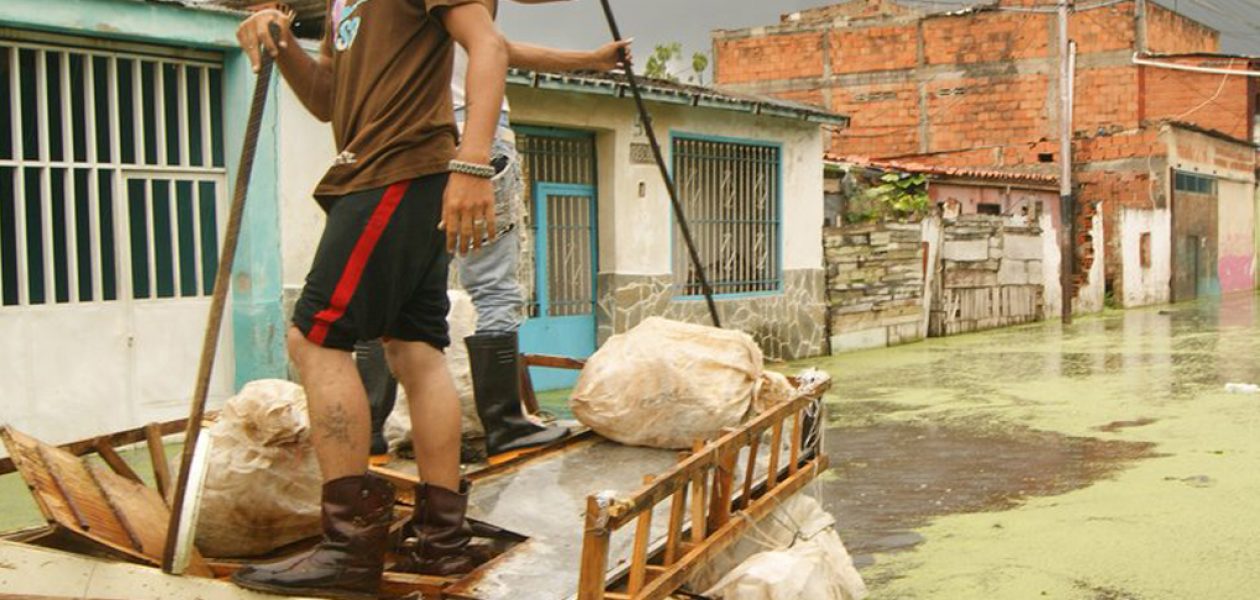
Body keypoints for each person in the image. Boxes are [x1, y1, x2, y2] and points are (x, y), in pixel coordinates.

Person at [229, 0, 509, 597]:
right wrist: (284, 44)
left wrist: (474, 162)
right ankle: (441, 540)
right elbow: (328, 96)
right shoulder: (339, 4)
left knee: (316, 337)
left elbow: (488, 45)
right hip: (391, 170)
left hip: (396, 166)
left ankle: (349, 548)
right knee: (414, 348)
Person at [357, 20, 631, 465]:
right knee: (493, 287)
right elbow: (492, 46)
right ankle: (505, 425)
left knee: (390, 291)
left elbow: (497, 47)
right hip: (474, 135)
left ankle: (368, 430)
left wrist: (592, 60)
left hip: (402, 142)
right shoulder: (460, 12)